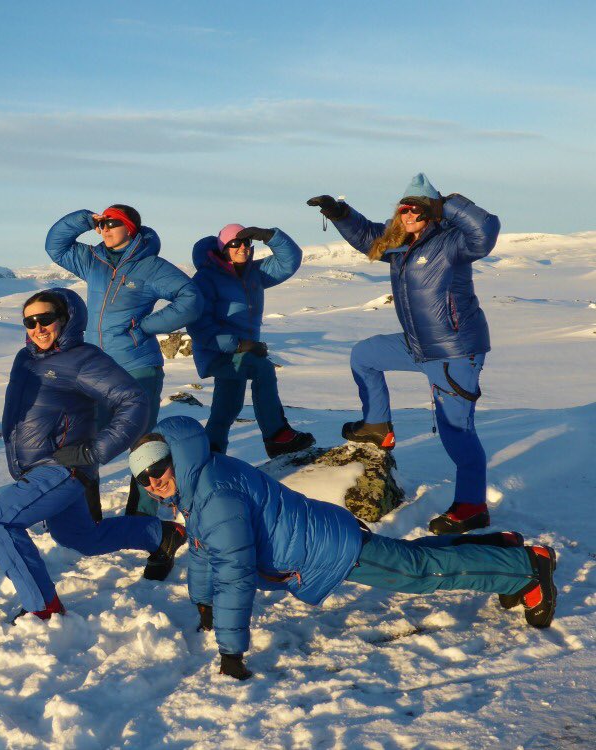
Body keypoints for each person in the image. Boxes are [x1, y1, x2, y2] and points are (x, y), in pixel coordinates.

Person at [128, 416, 556, 680]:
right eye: (141, 477)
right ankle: (499, 548)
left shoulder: (213, 495)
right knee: (412, 560)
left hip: (326, 549)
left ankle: (524, 568)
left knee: (417, 573)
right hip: (318, 533)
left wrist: (231, 651)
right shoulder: (198, 483)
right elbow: (205, 550)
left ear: (176, 457)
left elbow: (236, 573)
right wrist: (203, 602)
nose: (152, 481)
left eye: (157, 468)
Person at [307, 174, 500, 534]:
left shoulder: (453, 242)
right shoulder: (399, 243)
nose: (407, 214)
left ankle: (473, 506)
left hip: (454, 351)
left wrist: (447, 203)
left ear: (431, 212)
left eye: (416, 208)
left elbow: (485, 230)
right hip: (416, 345)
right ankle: (378, 426)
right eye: (403, 207)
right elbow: (367, 236)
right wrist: (339, 212)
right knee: (364, 355)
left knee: (457, 431)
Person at [0, 288, 187, 621]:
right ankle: (161, 535)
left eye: (45, 319)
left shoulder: (83, 359)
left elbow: (134, 401)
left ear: (64, 319)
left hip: (62, 467)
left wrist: (95, 450)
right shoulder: (26, 358)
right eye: (30, 321)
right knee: (80, 537)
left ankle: (42, 607)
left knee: (0, 522)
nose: (38, 328)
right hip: (37, 468)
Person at [45, 205, 203, 518]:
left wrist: (146, 326)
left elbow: (191, 298)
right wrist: (85, 219)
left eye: (111, 223)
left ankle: (143, 519)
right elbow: (56, 245)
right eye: (101, 224)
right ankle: (86, 516)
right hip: (94, 369)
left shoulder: (151, 266)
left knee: (143, 446)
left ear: (130, 227)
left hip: (137, 366)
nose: (104, 229)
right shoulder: (94, 260)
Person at [186, 224, 315, 458]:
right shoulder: (206, 278)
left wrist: (269, 236)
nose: (242, 247)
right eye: (235, 244)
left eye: (247, 242)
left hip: (243, 351)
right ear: (223, 248)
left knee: (227, 408)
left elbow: (289, 262)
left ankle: (210, 455)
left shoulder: (254, 273)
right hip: (216, 353)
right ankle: (276, 435)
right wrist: (237, 345)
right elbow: (198, 326)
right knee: (262, 369)